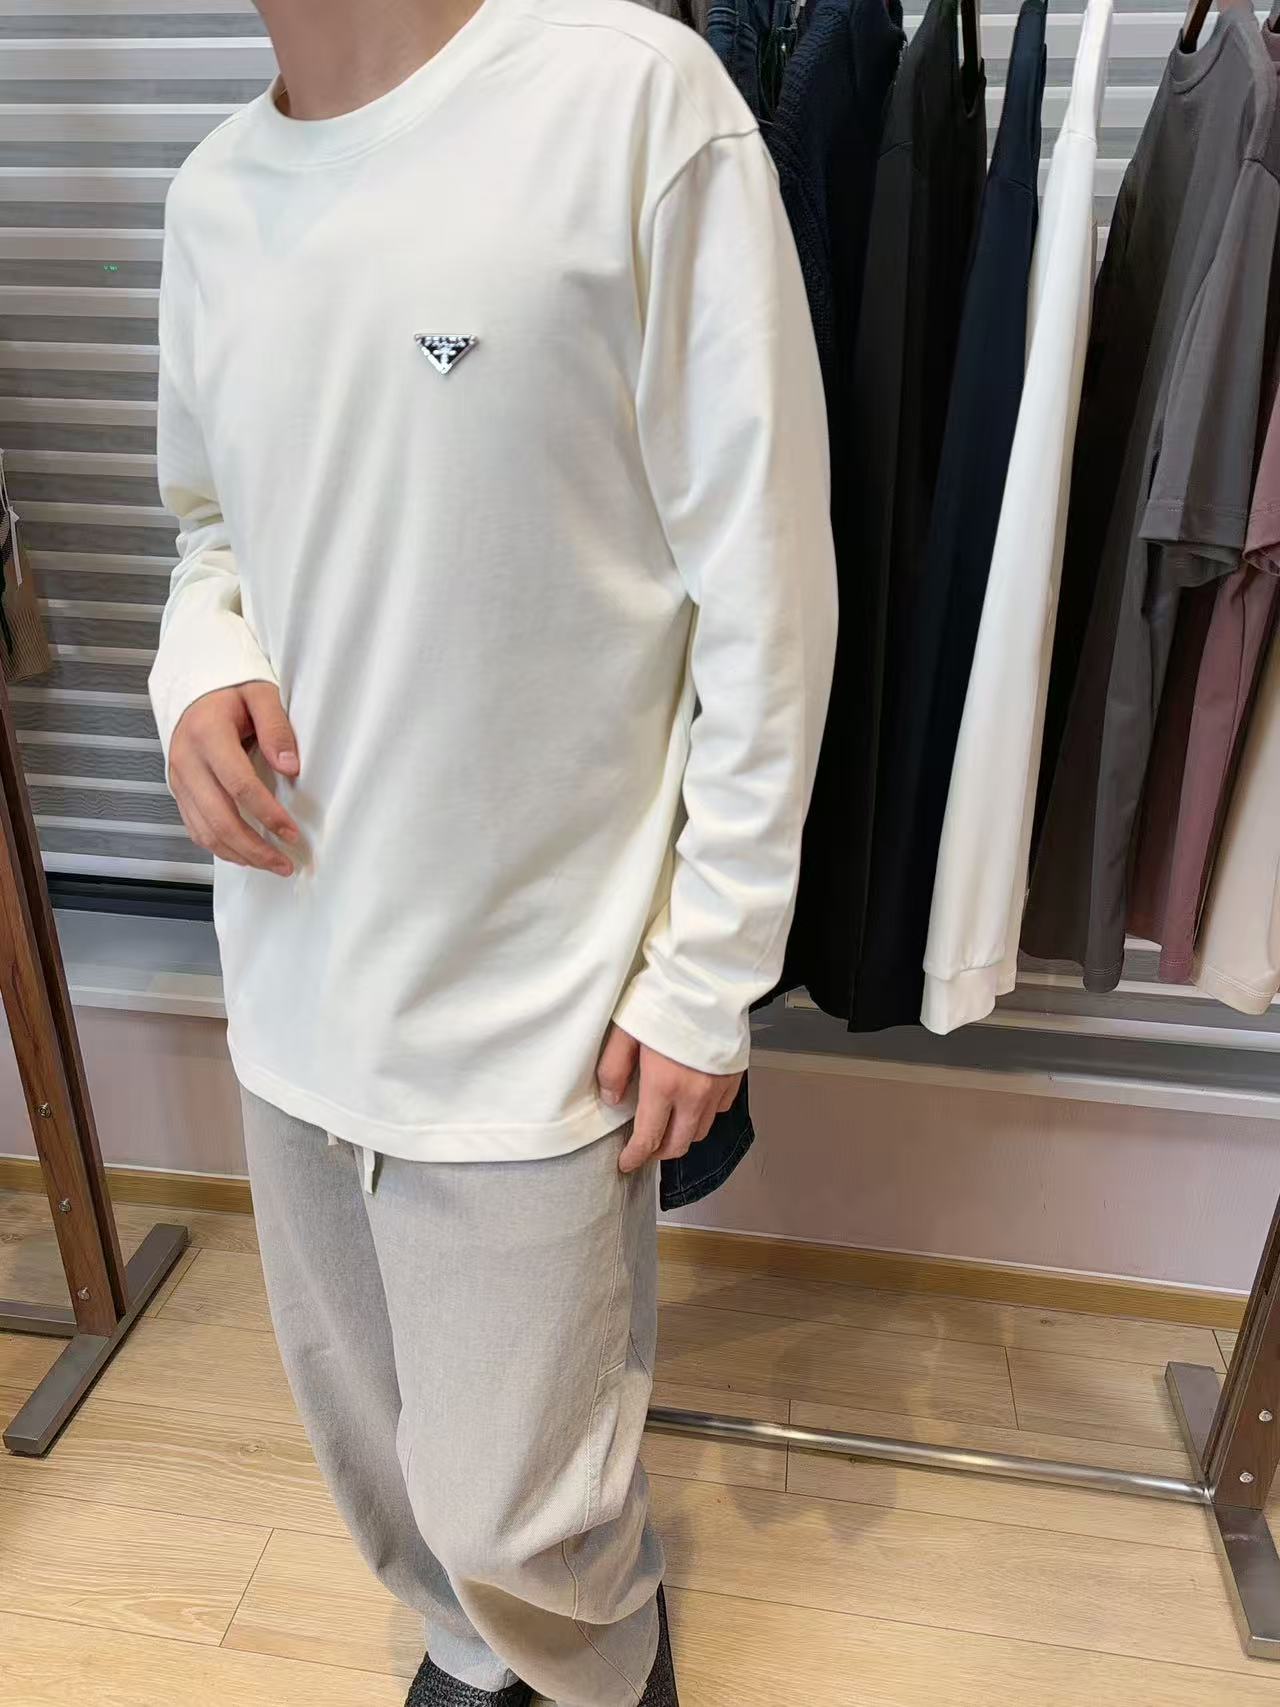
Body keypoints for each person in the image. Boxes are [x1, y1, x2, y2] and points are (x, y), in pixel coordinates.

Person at [147, 0, 835, 1701]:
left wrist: (710, 969)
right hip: (292, 962)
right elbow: (210, 524)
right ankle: (469, 1648)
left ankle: (600, 1673)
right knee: (375, 1452)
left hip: (544, 992)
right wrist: (200, 664)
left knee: (525, 1503)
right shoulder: (213, 196)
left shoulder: (628, 103)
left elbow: (766, 589)